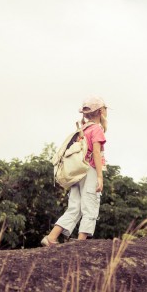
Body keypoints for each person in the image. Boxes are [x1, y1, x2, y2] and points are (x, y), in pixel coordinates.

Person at [41, 96, 108, 246]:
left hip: (76, 172)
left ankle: (51, 238)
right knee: (90, 205)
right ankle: (80, 243)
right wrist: (100, 177)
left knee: (74, 207)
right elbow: (96, 153)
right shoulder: (96, 129)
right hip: (89, 170)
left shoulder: (82, 129)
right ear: (100, 111)